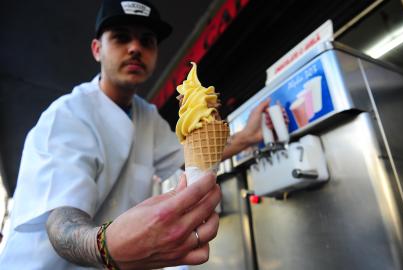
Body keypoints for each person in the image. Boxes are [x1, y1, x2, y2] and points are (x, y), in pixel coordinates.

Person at [0, 0, 272, 269]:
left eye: (147, 41)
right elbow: (60, 224)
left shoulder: (148, 116)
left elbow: (184, 159)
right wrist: (107, 246)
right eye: (120, 38)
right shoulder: (67, 114)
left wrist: (247, 136)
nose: (135, 48)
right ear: (97, 49)